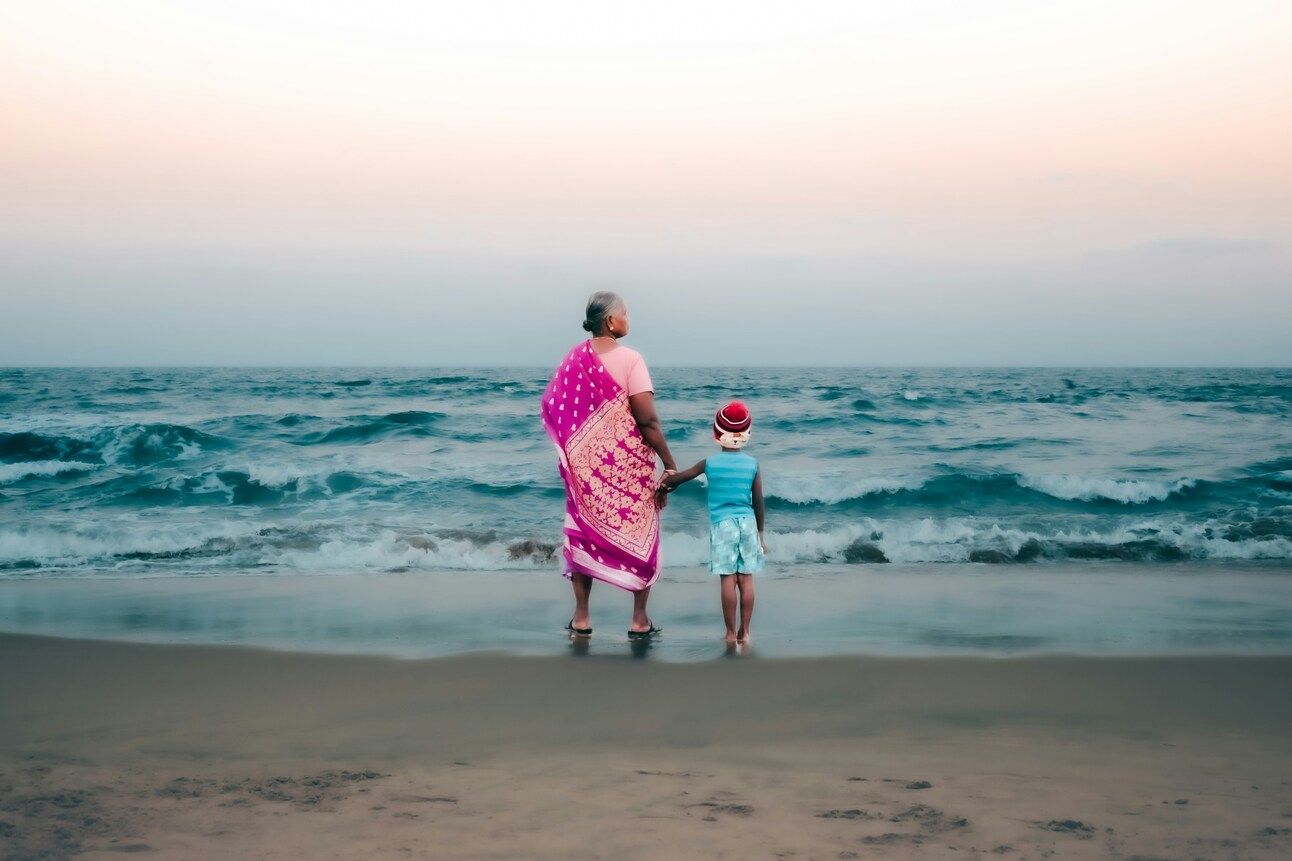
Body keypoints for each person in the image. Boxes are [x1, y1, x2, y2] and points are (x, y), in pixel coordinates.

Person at [541, 292, 679, 639]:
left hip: (586, 469)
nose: (629, 319)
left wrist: (578, 451)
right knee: (642, 533)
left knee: (584, 534)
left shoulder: (573, 359)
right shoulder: (631, 359)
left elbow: (554, 404)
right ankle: (639, 620)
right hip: (629, 468)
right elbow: (647, 420)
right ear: (611, 322)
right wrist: (670, 464)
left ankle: (582, 617)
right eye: (625, 314)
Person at [657, 401, 766, 645]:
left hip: (723, 525)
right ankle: (746, 632)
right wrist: (761, 533)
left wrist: (663, 485)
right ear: (747, 433)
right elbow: (758, 501)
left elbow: (681, 478)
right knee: (746, 579)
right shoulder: (752, 464)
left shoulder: (709, 463)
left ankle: (730, 634)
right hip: (748, 524)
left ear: (717, 434)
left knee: (728, 579)